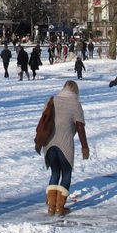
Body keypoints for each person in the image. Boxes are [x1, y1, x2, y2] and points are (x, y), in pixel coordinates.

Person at [43, 80, 90, 216]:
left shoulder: (51, 100)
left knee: (55, 172)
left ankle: (51, 206)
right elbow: (80, 128)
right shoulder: (75, 104)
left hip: (49, 145)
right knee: (66, 173)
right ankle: (60, 207)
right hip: (65, 145)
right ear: (75, 91)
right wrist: (85, 147)